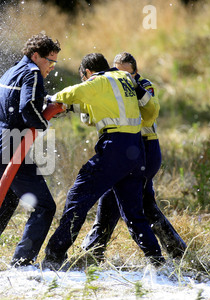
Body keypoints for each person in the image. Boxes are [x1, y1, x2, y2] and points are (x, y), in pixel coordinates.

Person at [43, 53, 165, 269]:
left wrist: (53, 99)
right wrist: (71, 107)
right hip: (137, 150)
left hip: (115, 148)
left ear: (88, 73)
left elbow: (76, 92)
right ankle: (157, 262)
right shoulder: (125, 79)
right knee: (134, 214)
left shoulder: (98, 80)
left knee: (77, 196)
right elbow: (102, 106)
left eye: (84, 78)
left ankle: (54, 256)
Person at [0, 33, 61, 268]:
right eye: (49, 61)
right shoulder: (33, 73)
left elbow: (13, 105)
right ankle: (22, 263)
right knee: (45, 206)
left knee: (3, 206)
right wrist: (45, 120)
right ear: (36, 56)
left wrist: (44, 104)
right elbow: (27, 109)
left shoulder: (14, 69)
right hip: (9, 152)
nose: (52, 68)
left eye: (55, 63)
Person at [82, 52, 187, 260]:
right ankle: (176, 251)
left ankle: (93, 252)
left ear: (136, 72)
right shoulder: (110, 84)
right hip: (128, 150)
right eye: (118, 72)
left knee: (131, 203)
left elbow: (146, 115)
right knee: (124, 201)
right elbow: (89, 117)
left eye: (128, 74)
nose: (124, 78)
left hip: (146, 150)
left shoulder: (144, 86)